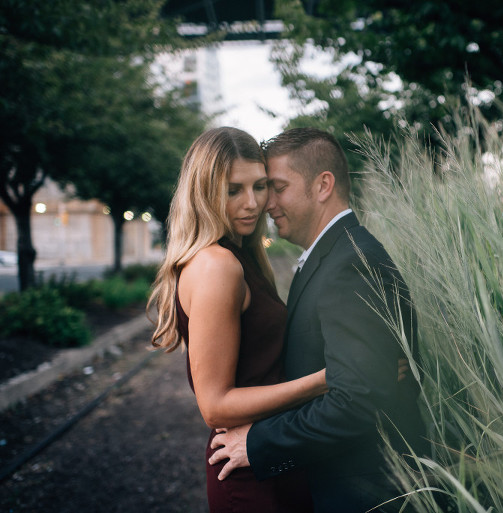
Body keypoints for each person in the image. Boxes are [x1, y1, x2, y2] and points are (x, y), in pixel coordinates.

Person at [209, 127, 427, 513]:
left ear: (323, 184)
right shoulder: (334, 256)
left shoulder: (350, 265)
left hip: (367, 496)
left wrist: (259, 443)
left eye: (276, 187)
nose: (265, 204)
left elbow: (357, 399)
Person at [147, 127, 322, 512]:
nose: (253, 203)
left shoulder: (241, 257)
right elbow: (215, 406)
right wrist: (328, 381)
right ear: (204, 193)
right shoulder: (216, 266)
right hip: (248, 476)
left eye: (260, 186)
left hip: (272, 454)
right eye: (233, 190)